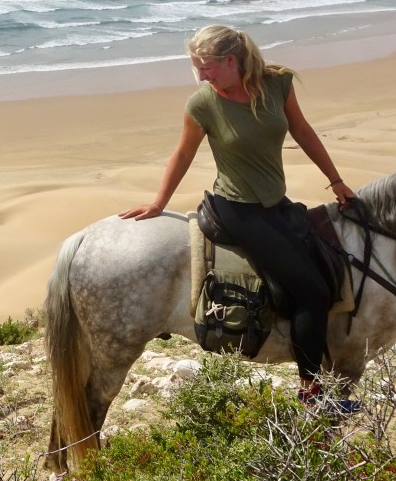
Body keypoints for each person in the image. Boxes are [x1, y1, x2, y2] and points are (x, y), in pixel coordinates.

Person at [120, 24, 357, 405]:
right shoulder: (203, 103)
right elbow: (182, 154)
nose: (200, 75)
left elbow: (302, 130)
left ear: (231, 60)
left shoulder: (277, 83)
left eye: (206, 66)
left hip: (275, 203)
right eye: (196, 67)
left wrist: (336, 181)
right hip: (235, 209)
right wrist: (159, 203)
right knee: (311, 292)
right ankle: (312, 393)